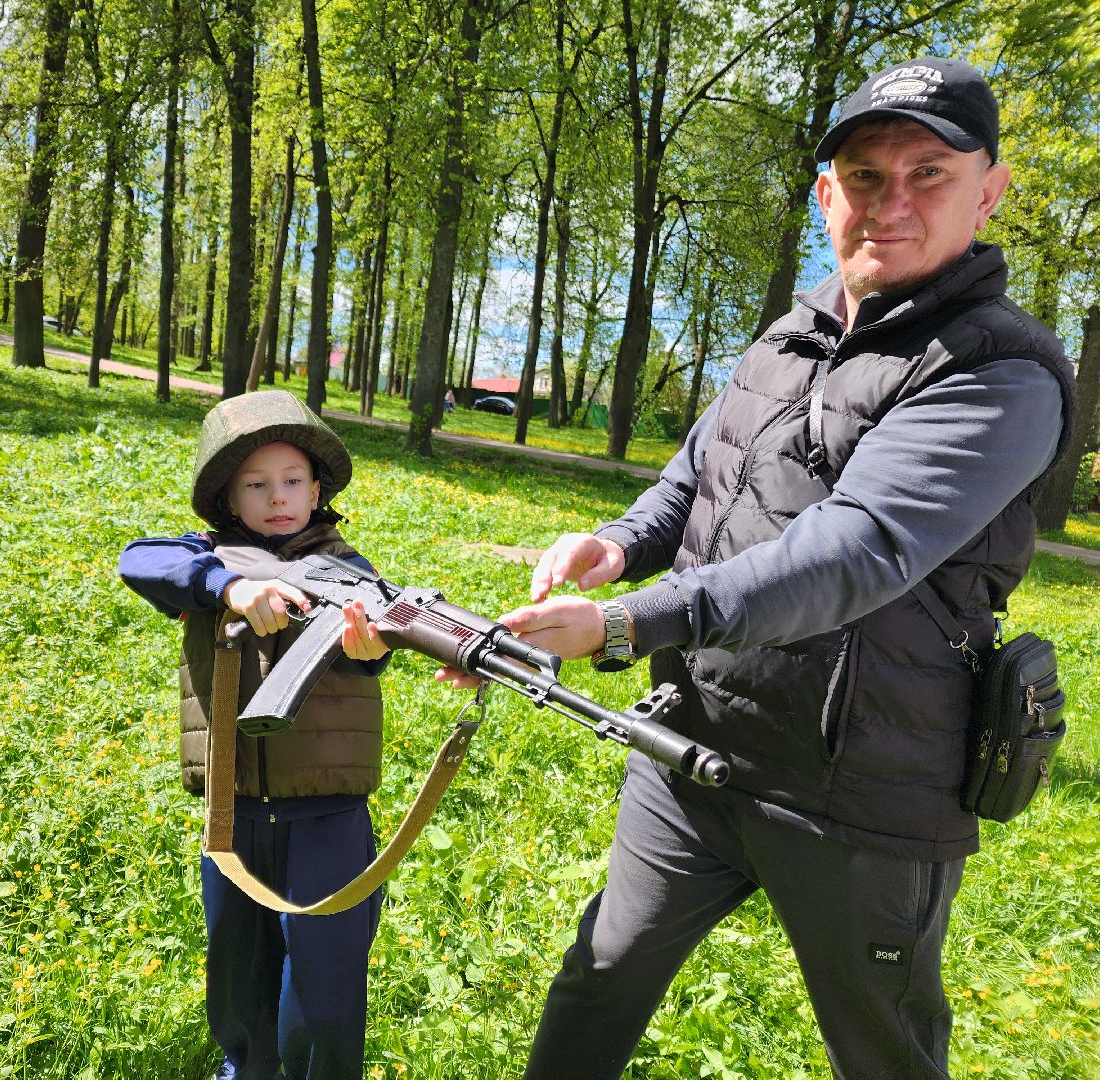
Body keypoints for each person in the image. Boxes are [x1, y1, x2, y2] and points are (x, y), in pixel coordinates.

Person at [440, 57, 1075, 1078]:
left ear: (989, 191)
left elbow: (854, 551)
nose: (892, 202)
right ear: (828, 194)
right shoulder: (791, 330)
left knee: (884, 1048)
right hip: (690, 746)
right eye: (865, 177)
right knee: (598, 979)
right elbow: (699, 471)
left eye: (930, 173)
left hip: (861, 790)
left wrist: (625, 624)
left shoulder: (997, 371)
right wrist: (620, 546)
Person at [118, 390, 390, 1080]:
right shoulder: (204, 559)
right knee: (239, 966)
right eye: (257, 484)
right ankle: (247, 1068)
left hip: (328, 810)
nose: (278, 499)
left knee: (325, 978)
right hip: (232, 809)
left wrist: (370, 648)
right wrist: (229, 587)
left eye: (293, 482)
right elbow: (137, 560)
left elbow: (389, 635)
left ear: (317, 488)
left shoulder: (349, 569)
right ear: (226, 498)